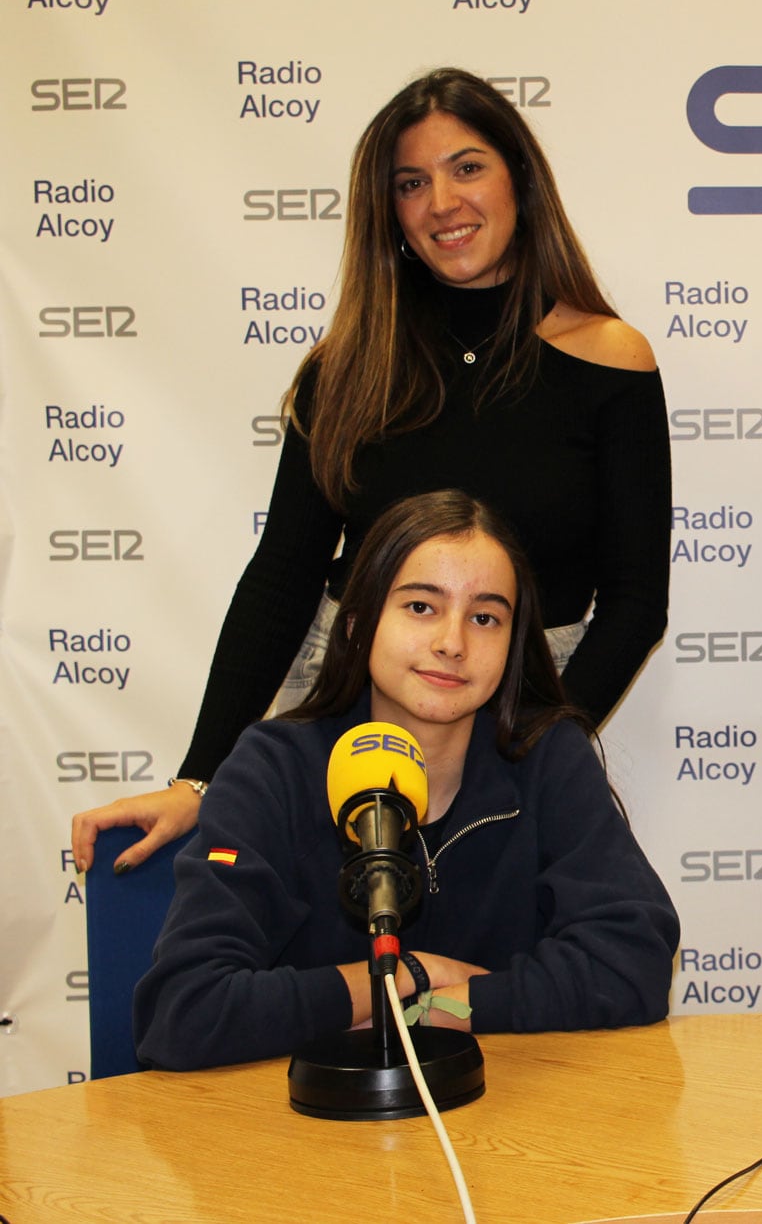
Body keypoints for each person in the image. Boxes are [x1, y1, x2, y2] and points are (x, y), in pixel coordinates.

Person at [73, 67, 669, 875]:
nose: (442, 203)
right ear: (388, 212)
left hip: (526, 710)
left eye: (467, 168)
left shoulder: (610, 360)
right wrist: (200, 775)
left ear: (520, 180)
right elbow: (283, 576)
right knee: (328, 963)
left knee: (496, 981)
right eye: (411, 183)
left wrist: (538, 751)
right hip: (345, 715)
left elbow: (635, 602)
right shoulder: (347, 368)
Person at [135, 490, 679, 1071]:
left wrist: (453, 1005)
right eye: (421, 607)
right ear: (357, 623)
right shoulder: (274, 768)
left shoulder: (547, 757)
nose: (452, 642)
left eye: (485, 617)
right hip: (310, 1138)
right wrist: (406, 977)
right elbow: (182, 1012)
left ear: (513, 645)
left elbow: (633, 960)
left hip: (509, 1128)